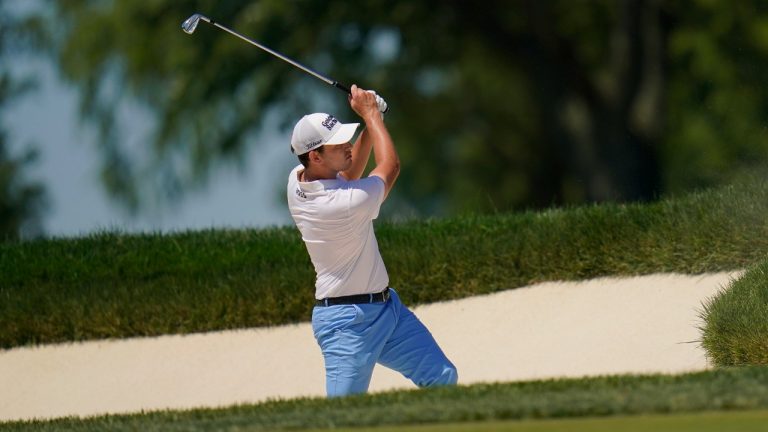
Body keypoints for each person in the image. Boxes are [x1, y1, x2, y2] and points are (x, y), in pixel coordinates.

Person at [286, 85, 458, 397]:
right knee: (343, 419)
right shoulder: (340, 205)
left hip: (387, 310)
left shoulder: (298, 179)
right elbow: (390, 168)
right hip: (346, 325)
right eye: (338, 145)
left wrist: (370, 120)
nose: (348, 146)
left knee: (443, 378)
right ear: (316, 155)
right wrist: (373, 116)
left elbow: (348, 176)